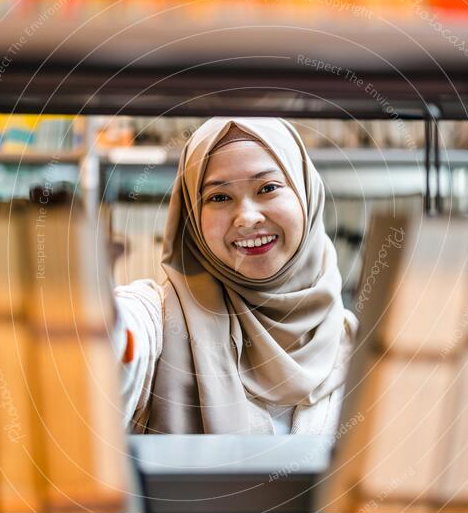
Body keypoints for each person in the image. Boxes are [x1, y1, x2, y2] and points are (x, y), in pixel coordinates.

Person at [112, 117, 356, 434]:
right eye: (219, 197)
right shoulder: (158, 321)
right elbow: (110, 348)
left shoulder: (357, 346)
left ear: (306, 194)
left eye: (268, 188)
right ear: (192, 215)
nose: (247, 218)